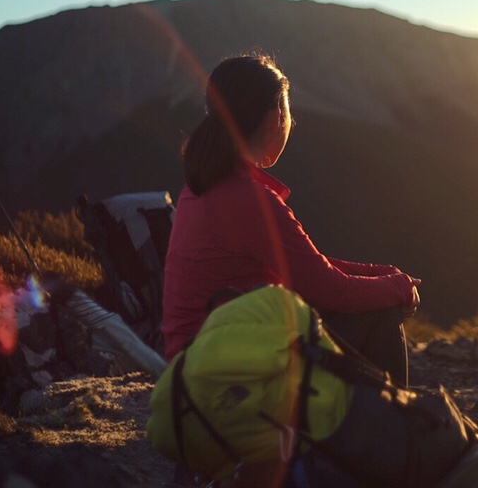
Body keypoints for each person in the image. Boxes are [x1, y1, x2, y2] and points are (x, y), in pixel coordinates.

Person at [161, 52, 421, 386]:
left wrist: (383, 275)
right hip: (219, 371)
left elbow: (305, 269)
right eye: (288, 111)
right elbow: (332, 291)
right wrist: (399, 289)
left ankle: (366, 420)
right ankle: (390, 429)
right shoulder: (248, 199)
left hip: (201, 356)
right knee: (379, 315)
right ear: (274, 120)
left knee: (360, 308)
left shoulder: (205, 184)